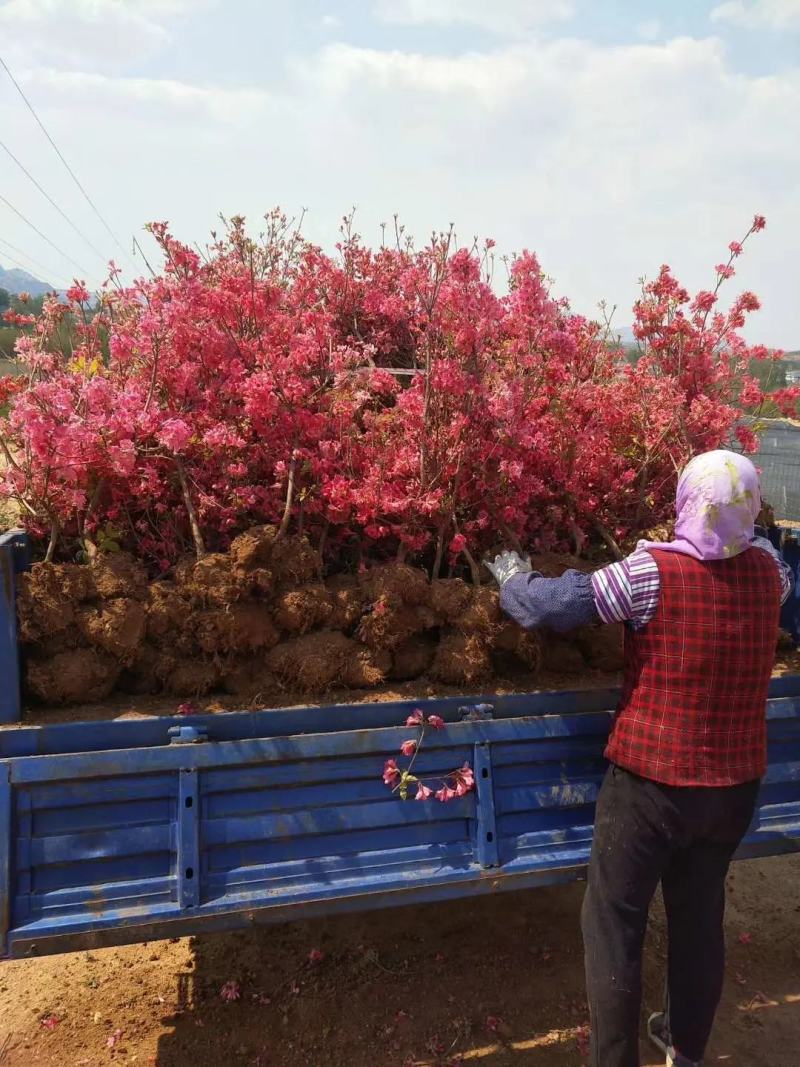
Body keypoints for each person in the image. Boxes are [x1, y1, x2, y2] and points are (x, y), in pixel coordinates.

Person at [485, 450, 793, 1067]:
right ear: (752, 507)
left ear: (686, 500)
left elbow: (554, 608)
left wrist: (513, 579)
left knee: (615, 922)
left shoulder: (649, 571)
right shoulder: (772, 572)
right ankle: (686, 1051)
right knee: (700, 917)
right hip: (733, 788)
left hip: (650, 788)